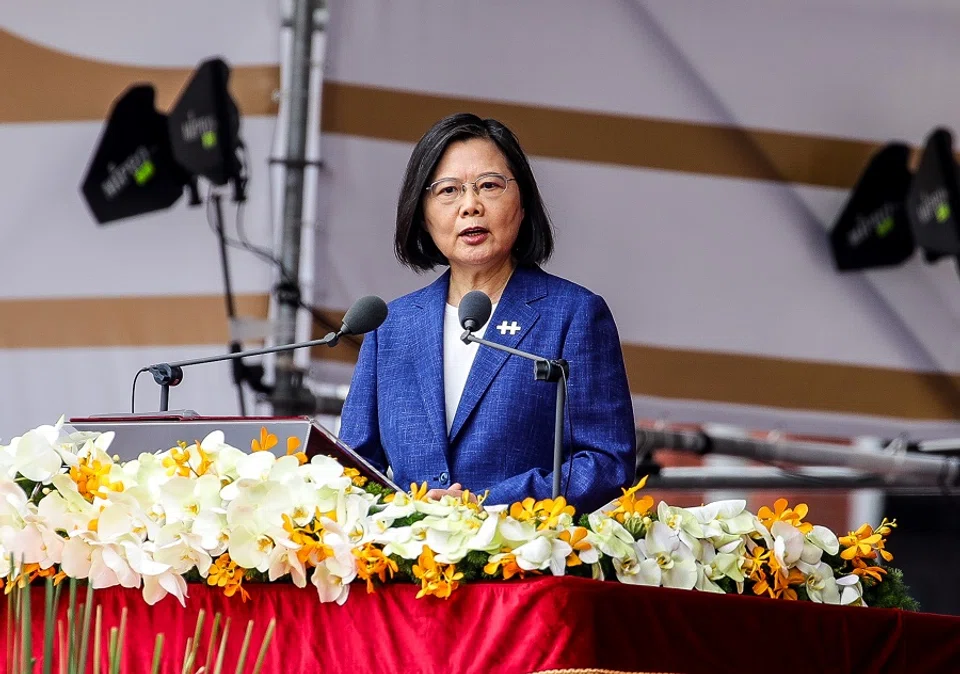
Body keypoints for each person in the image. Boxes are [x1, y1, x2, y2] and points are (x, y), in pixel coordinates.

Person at [338, 113, 636, 514]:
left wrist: (487, 506)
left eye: (490, 186)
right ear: (423, 214)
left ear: (523, 201)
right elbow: (355, 470)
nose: (470, 206)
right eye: (448, 191)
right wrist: (409, 514)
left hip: (522, 565)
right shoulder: (390, 326)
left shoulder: (573, 316)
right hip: (411, 566)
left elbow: (606, 463)